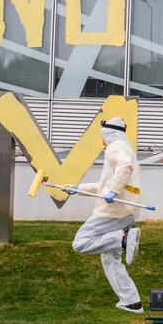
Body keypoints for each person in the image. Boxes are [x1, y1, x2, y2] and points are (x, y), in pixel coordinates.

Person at [69, 117, 144, 313]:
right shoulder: (125, 148)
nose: (101, 140)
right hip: (127, 211)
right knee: (110, 259)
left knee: (80, 242)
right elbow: (105, 186)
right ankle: (131, 302)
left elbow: (124, 166)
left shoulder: (116, 148)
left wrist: (114, 192)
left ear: (108, 134)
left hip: (113, 211)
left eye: (102, 136)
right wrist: (78, 189)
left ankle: (123, 240)